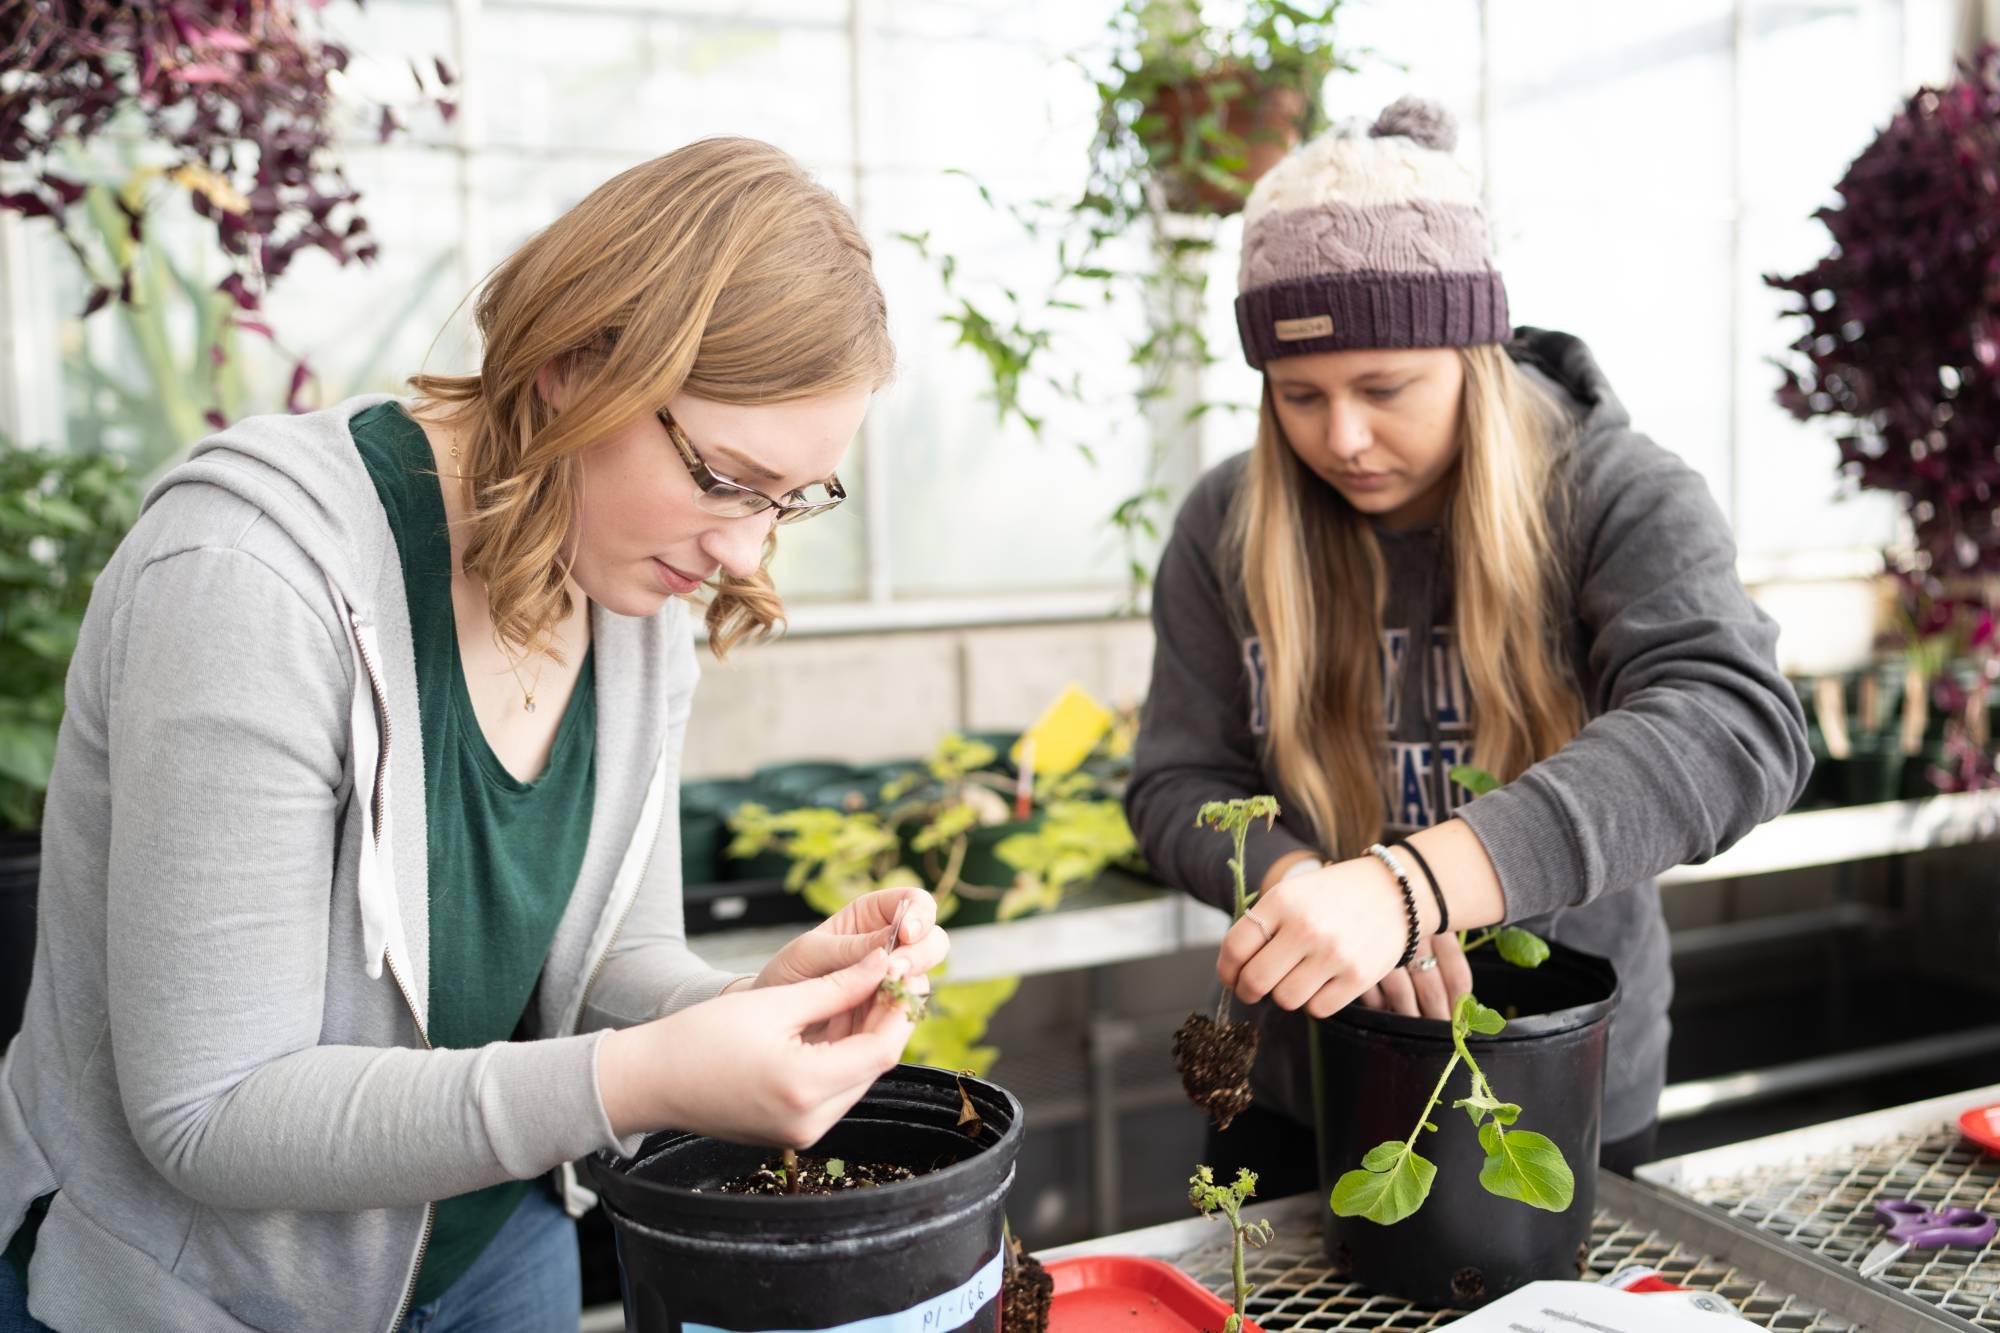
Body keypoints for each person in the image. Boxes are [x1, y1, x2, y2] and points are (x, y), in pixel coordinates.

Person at [0, 137, 946, 1332]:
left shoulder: (628, 586)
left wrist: (748, 1002)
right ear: (569, 366)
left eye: (790, 499)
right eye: (724, 478)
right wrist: (644, 1078)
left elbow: (603, 964)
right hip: (204, 1295)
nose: (742, 555)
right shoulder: (253, 579)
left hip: (495, 1260)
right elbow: (212, 1111)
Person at [1125, 98, 1811, 1196]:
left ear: (1472, 351)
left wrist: (1408, 887)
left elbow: (1736, 725)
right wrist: (1305, 887)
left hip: (1554, 1089)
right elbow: (1174, 780)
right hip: (1306, 1085)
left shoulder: (1613, 494)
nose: (1340, 437)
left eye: (1383, 388)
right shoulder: (1227, 522)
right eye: (1297, 396)